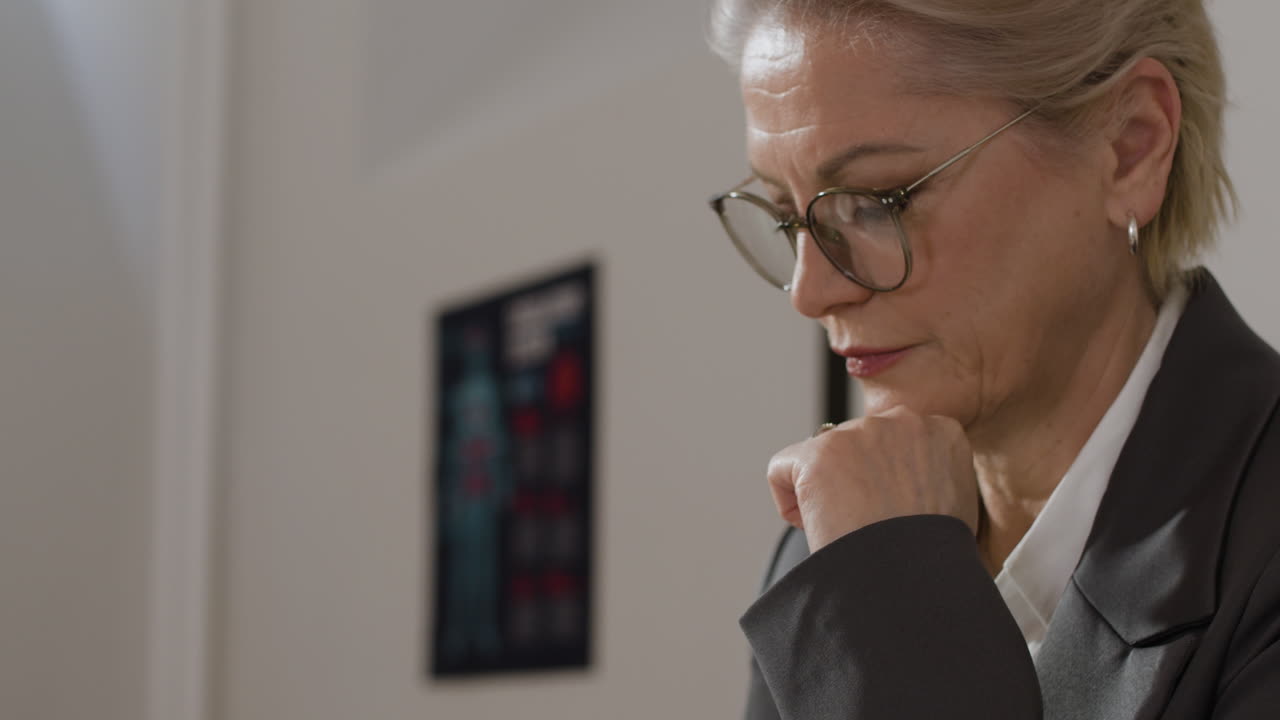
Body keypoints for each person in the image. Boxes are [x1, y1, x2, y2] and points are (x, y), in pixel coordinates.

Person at [705, 1, 1280, 718]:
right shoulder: (827, 540)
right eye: (787, 214)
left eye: (876, 201)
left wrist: (894, 607)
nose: (811, 292)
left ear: (1132, 145)